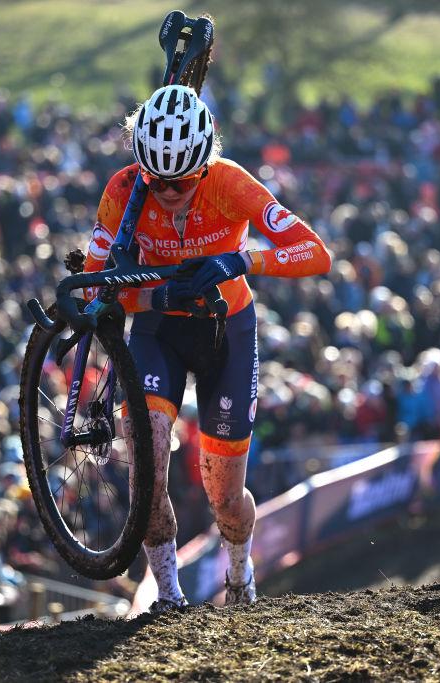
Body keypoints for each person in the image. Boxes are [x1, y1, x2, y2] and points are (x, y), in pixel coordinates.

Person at [81, 84, 332, 611]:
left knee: (225, 498)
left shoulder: (230, 182)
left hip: (227, 335)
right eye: (159, 180)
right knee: (145, 475)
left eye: (182, 181)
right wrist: (151, 293)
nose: (169, 191)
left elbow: (316, 254)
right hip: (158, 333)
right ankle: (167, 597)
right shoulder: (125, 190)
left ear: (205, 163)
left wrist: (244, 260)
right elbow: (91, 287)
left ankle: (240, 575)